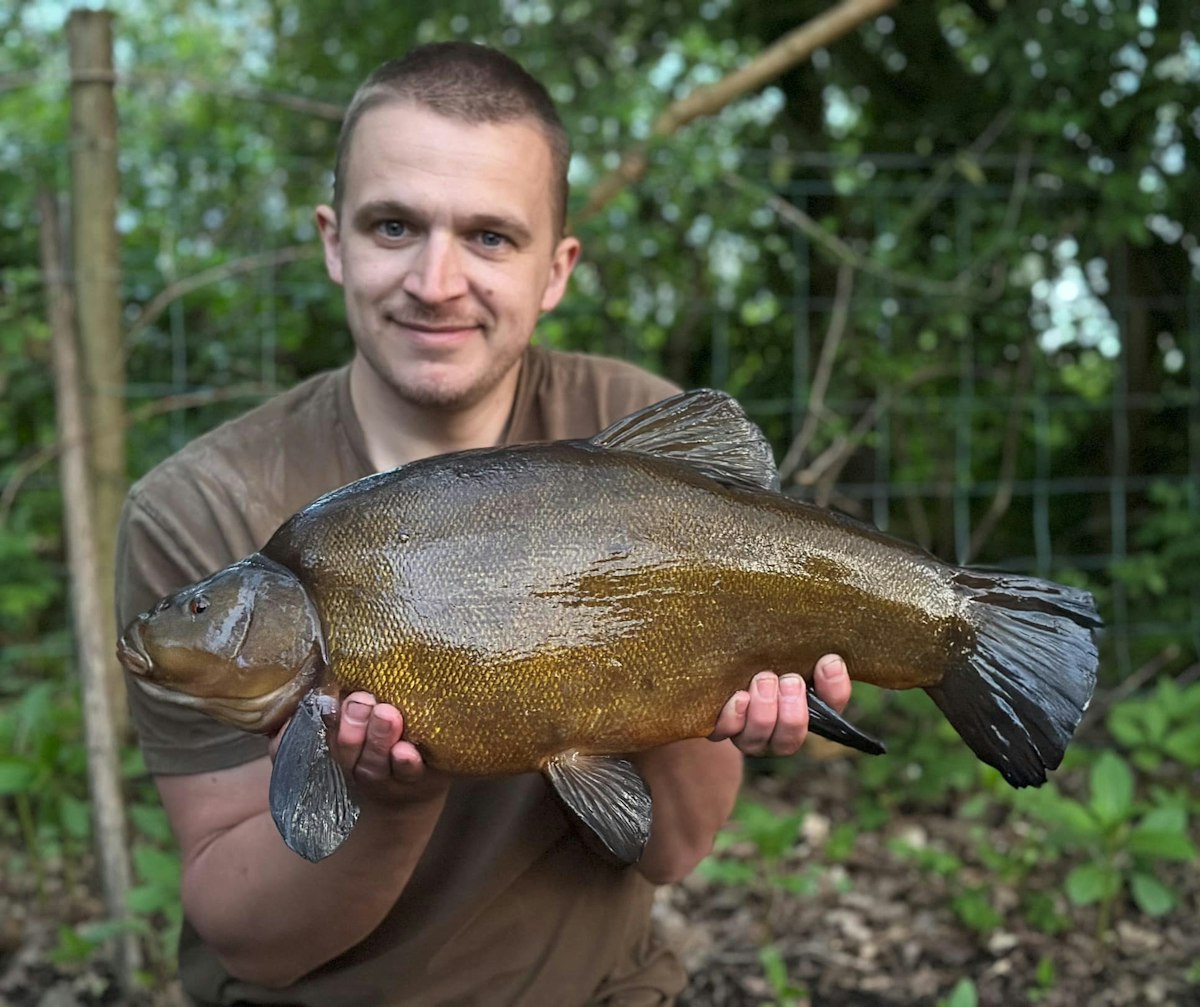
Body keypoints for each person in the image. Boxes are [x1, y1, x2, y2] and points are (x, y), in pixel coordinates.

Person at [115, 42, 853, 1006]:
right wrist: (393, 798)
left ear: (557, 267)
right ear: (334, 240)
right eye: (394, 225)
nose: (437, 279)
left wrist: (700, 694)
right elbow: (251, 943)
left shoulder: (633, 434)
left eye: (491, 238)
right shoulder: (199, 505)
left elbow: (670, 850)